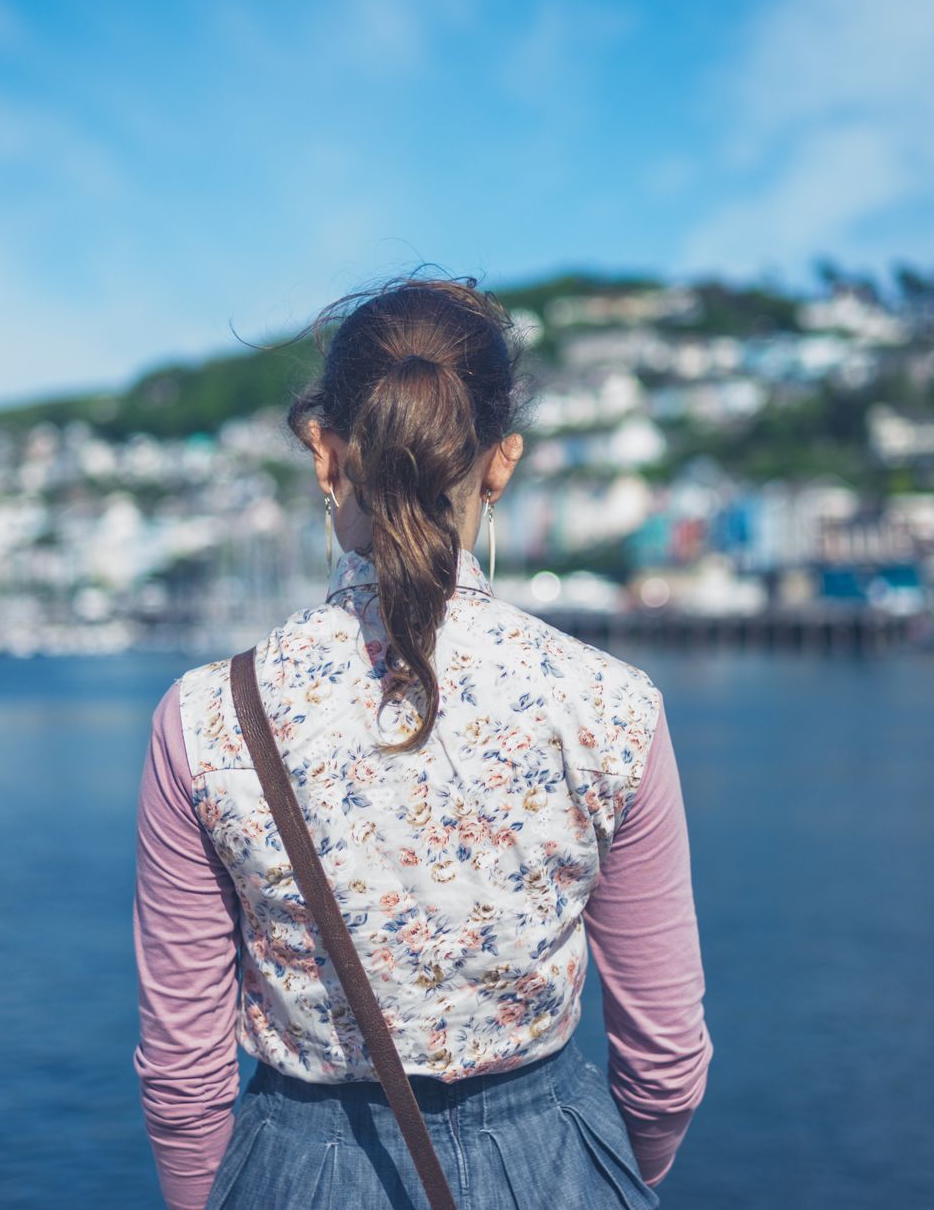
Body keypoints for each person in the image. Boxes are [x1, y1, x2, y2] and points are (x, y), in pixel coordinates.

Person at [132, 272, 712, 1209]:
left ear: (326, 455)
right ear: (501, 462)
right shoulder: (612, 707)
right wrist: (605, 1174)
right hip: (559, 1158)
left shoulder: (205, 720)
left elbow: (182, 1073)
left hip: (300, 1170)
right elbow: (666, 1059)